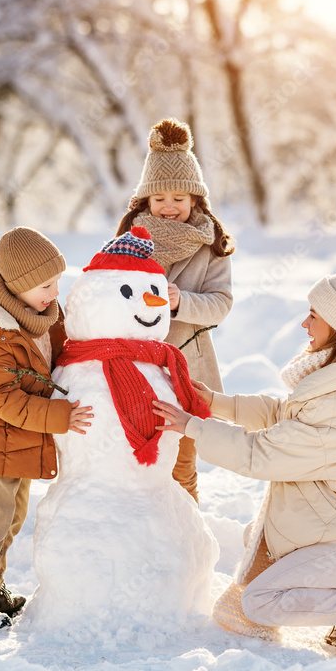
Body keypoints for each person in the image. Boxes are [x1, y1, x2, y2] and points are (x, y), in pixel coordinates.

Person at [153, 257, 336, 658]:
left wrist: (192, 427)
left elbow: (262, 455)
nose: (304, 325)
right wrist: (215, 404)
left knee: (261, 601)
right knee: (262, 533)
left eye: (313, 316)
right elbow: (288, 417)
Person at [0, 227, 93, 632]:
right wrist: (59, 415)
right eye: (46, 284)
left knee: (12, 517)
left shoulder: (39, 316)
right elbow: (3, 400)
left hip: (20, 441)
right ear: (20, 285)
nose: (55, 292)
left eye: (58, 281)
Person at [115, 117, 235, 505]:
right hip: (136, 367)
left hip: (186, 367)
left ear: (195, 200)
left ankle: (186, 534)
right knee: (139, 458)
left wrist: (182, 301)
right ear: (145, 201)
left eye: (178, 199)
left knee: (182, 460)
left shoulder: (210, 246)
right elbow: (107, 295)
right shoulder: (129, 242)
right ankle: (143, 529)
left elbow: (221, 304)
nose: (168, 207)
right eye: (159, 199)